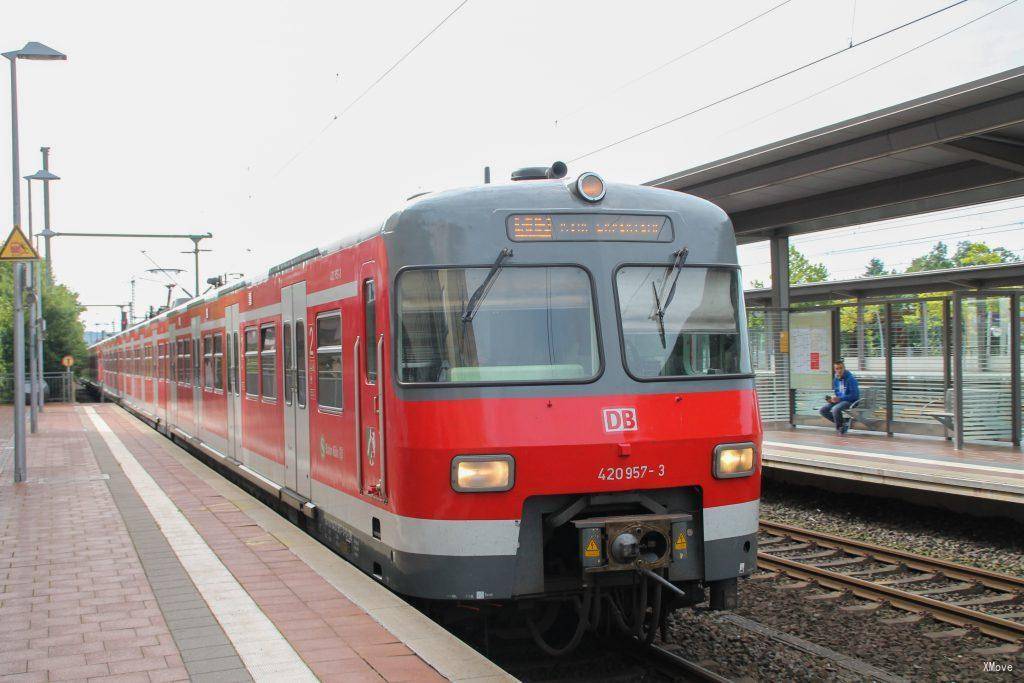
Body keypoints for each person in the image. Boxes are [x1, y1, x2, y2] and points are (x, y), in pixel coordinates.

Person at [819, 360, 860, 435]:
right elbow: (837, 393)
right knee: (823, 410)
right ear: (835, 369)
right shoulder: (836, 379)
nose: (839, 370)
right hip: (840, 401)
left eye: (841, 368)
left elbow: (855, 396)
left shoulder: (850, 379)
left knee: (835, 409)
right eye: (837, 369)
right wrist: (832, 400)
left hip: (851, 401)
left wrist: (840, 399)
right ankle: (844, 422)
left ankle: (840, 428)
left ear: (844, 368)